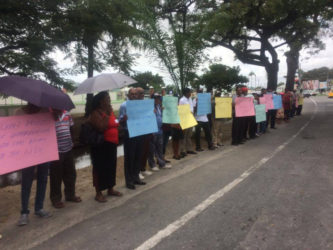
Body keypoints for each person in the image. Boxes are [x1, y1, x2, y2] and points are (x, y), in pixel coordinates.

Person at [16, 103, 51, 226]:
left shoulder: (45, 110)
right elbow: (15, 133)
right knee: (26, 183)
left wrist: (55, 116)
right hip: (27, 154)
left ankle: (39, 208)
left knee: (42, 179)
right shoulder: (19, 112)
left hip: (43, 152)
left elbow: (49, 129)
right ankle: (24, 212)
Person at [89, 91, 122, 202]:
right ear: (101, 101)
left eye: (109, 98)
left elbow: (115, 122)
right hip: (101, 145)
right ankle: (98, 193)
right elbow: (101, 127)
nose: (109, 100)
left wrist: (121, 120)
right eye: (107, 98)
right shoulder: (95, 113)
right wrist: (107, 115)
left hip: (112, 143)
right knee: (99, 168)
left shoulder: (110, 111)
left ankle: (110, 188)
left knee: (111, 166)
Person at [49, 109, 81, 208]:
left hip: (68, 148)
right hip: (56, 151)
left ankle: (70, 195)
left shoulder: (67, 114)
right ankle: (56, 199)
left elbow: (71, 128)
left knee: (71, 173)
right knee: (56, 176)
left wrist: (72, 141)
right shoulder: (49, 116)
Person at [119, 88, 146, 190]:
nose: (134, 96)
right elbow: (120, 121)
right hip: (129, 133)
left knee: (138, 156)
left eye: (136, 94)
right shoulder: (124, 105)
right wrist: (123, 119)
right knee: (130, 157)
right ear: (128, 95)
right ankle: (129, 181)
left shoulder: (140, 105)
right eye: (132, 94)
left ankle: (136, 177)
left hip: (139, 132)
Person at [148, 94, 171, 170]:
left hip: (160, 130)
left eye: (159, 98)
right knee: (152, 149)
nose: (158, 100)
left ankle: (162, 164)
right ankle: (152, 165)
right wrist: (150, 113)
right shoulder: (149, 107)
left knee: (159, 148)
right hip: (153, 130)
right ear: (153, 99)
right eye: (156, 98)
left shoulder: (159, 107)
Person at [179, 88, 195, 156]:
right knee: (184, 136)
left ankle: (189, 149)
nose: (190, 93)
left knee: (189, 135)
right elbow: (181, 111)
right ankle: (183, 150)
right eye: (189, 92)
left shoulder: (190, 99)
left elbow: (192, 107)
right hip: (185, 119)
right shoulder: (182, 100)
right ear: (185, 93)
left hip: (190, 118)